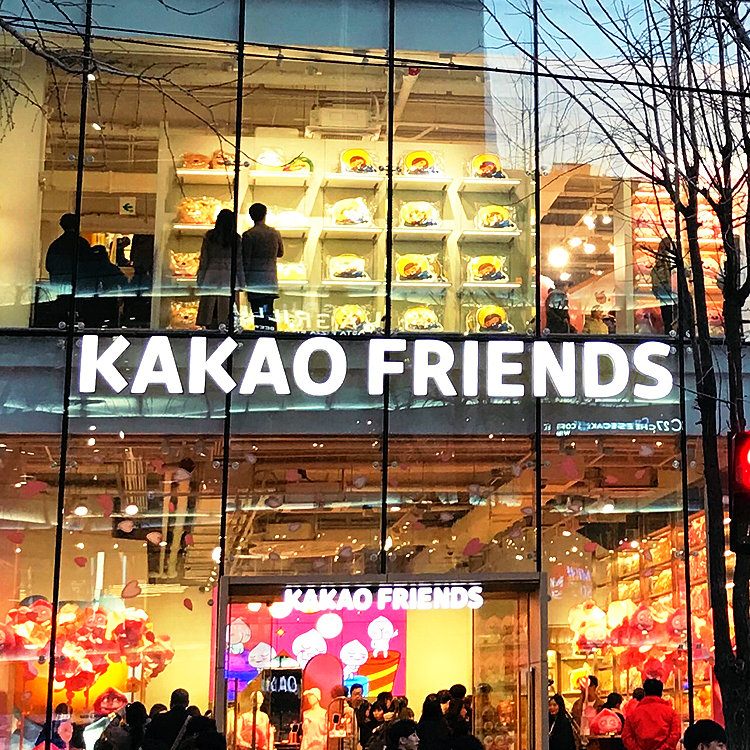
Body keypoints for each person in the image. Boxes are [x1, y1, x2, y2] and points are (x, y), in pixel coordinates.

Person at [197, 208, 245, 329]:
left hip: (211, 274)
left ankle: (211, 329)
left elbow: (204, 259)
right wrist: (242, 282)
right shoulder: (236, 239)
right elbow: (239, 262)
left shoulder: (210, 237)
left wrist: (200, 279)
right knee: (227, 311)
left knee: (210, 310)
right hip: (229, 276)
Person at [242, 202, 284, 331]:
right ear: (265, 215)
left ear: (251, 216)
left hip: (254, 281)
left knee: (258, 314)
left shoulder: (249, 235)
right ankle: (272, 335)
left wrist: (243, 281)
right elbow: (280, 253)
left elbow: (246, 260)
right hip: (270, 279)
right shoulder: (275, 233)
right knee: (269, 312)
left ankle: (261, 335)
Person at [621, 679, 680, 750]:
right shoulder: (671, 712)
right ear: (661, 693)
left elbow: (626, 736)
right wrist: (663, 748)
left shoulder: (633, 714)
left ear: (645, 693)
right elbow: (675, 734)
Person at [45, 214, 95, 296]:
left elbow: (49, 266)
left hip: (59, 287)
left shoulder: (56, 245)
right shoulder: (81, 243)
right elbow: (89, 265)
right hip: (79, 288)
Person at [651, 238, 676, 334]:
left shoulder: (660, 265)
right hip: (668, 297)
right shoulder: (660, 265)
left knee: (670, 322)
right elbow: (656, 285)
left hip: (669, 297)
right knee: (670, 322)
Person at [572, 676, 604, 748]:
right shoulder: (577, 705)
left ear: (594, 687)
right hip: (579, 742)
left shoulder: (601, 705)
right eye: (582, 687)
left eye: (588, 686)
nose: (584, 689)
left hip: (595, 743)